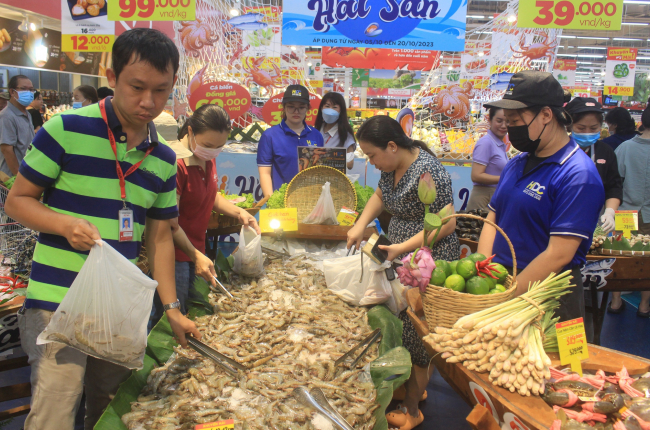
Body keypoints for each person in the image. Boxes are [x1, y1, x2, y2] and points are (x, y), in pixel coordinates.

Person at [4, 28, 200, 430]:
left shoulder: (163, 159)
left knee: (113, 410)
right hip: (56, 303)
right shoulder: (64, 130)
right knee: (55, 413)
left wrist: (173, 308)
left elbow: (160, 237)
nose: (148, 102)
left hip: (117, 307)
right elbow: (17, 201)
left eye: (161, 91)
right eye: (137, 87)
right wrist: (64, 223)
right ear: (111, 77)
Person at [347, 116, 459, 430]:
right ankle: (414, 387)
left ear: (393, 146)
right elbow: (380, 197)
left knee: (419, 333)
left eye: (372, 155)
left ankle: (412, 410)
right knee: (402, 326)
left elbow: (447, 222)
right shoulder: (392, 167)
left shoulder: (429, 170)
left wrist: (402, 248)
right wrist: (359, 225)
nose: (371, 161)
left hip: (426, 260)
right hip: (400, 257)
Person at [477, 71, 604, 323]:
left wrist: (507, 296)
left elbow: (559, 254)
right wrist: (483, 271)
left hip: (550, 298)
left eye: (515, 121)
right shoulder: (516, 163)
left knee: (555, 363)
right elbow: (493, 220)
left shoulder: (578, 174)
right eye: (507, 122)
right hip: (503, 286)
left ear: (546, 115)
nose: (510, 129)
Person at [152, 104, 260, 321]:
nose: (214, 151)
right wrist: (194, 255)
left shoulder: (207, 157)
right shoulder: (176, 164)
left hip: (196, 252)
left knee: (194, 313)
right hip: (174, 256)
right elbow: (170, 222)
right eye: (209, 145)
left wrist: (239, 212)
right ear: (190, 131)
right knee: (172, 316)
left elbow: (212, 197)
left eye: (220, 146)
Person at [611, 106, 650, 318]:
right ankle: (644, 306)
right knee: (649, 260)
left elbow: (615, 181)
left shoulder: (625, 148)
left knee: (620, 256)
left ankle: (615, 302)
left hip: (626, 213)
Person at [565, 97, 622, 236]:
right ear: (570, 125)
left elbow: (614, 186)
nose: (587, 133)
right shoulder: (559, 150)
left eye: (593, 128)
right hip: (563, 217)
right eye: (581, 128)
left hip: (596, 220)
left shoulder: (605, 151)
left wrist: (609, 212)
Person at [258, 85, 323, 198]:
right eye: (291, 107)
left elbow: (321, 170)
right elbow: (265, 173)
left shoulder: (316, 135)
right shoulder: (270, 136)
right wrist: (272, 201)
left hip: (309, 200)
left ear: (308, 108)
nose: (296, 111)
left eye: (301, 107)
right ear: (283, 107)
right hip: (281, 200)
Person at [466, 107, 509, 211]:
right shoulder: (486, 143)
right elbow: (476, 176)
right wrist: (506, 178)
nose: (503, 125)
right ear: (490, 120)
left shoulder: (498, 144)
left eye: (508, 121)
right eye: (499, 121)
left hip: (493, 198)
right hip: (483, 200)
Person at [0, 75, 36, 177]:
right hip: (11, 177)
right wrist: (19, 177)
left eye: (31, 89)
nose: (28, 93)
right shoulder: (6, 116)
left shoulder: (27, 114)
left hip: (26, 172)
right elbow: (7, 150)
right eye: (24, 89)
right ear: (12, 92)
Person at [314, 92, 356, 170]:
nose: (330, 110)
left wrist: (329, 159)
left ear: (341, 110)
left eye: (334, 107)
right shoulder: (316, 130)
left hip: (334, 178)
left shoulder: (345, 134)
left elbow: (350, 164)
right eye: (327, 106)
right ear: (321, 108)